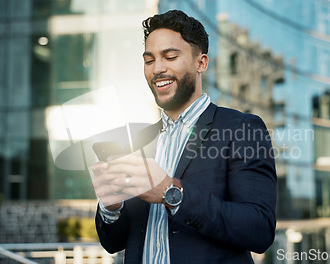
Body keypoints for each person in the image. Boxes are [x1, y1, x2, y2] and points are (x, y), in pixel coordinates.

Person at [91, 10, 277, 263]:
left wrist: (171, 192)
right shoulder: (139, 142)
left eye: (170, 56)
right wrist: (111, 207)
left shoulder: (241, 128)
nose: (157, 68)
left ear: (201, 63)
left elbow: (259, 230)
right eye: (149, 60)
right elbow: (114, 242)